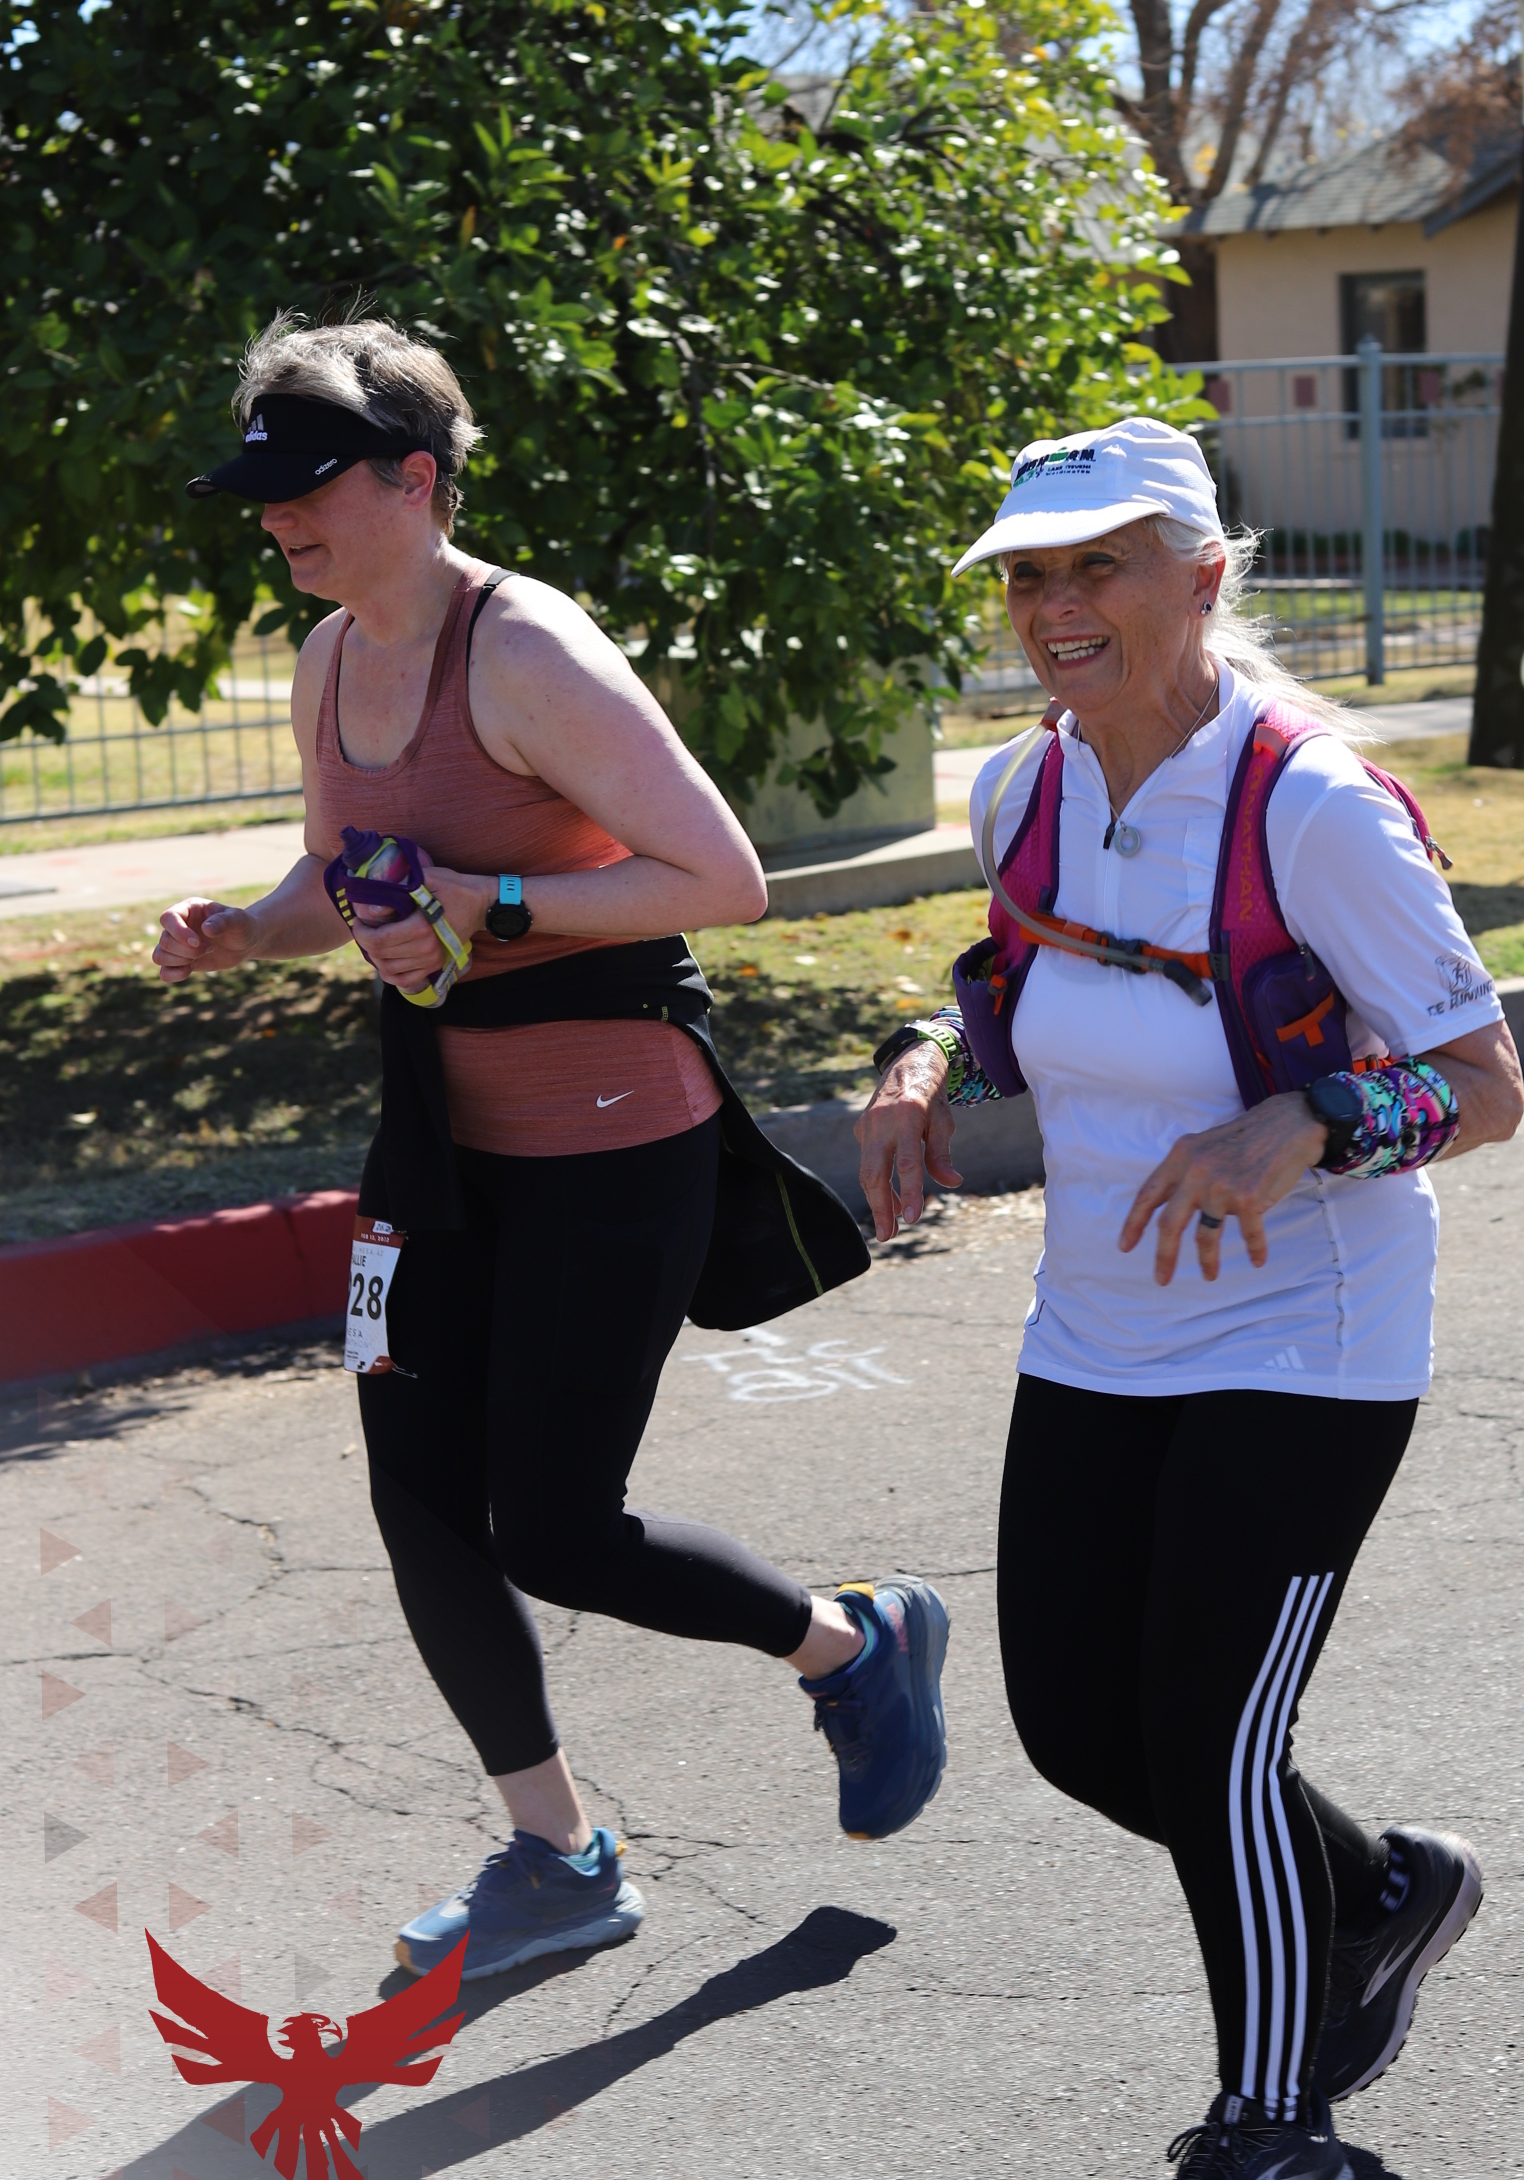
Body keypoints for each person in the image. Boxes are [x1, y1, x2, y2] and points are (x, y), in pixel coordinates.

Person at [157, 315, 948, 1979]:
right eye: (262, 490)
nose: (276, 516)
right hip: (437, 1144)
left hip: (611, 1139)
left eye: (308, 486)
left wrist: (489, 901)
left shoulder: (525, 650)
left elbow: (721, 878)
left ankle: (851, 1644)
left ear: (414, 479)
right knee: (421, 1503)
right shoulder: (328, 658)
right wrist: (245, 931)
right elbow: (341, 880)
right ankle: (559, 1854)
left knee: (557, 1526)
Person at [857, 415, 1522, 2180]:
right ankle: (1376, 1894)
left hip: (1308, 1335)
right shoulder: (1026, 785)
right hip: (1097, 1323)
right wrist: (924, 1062)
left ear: (1206, 574)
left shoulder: (1313, 809)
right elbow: (1015, 981)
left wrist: (1307, 1120)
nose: (1055, 605)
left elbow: (1483, 1085)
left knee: (1214, 1736)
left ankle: (1278, 2128)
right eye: (1030, 573)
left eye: (1102, 565)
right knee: (1083, 1731)